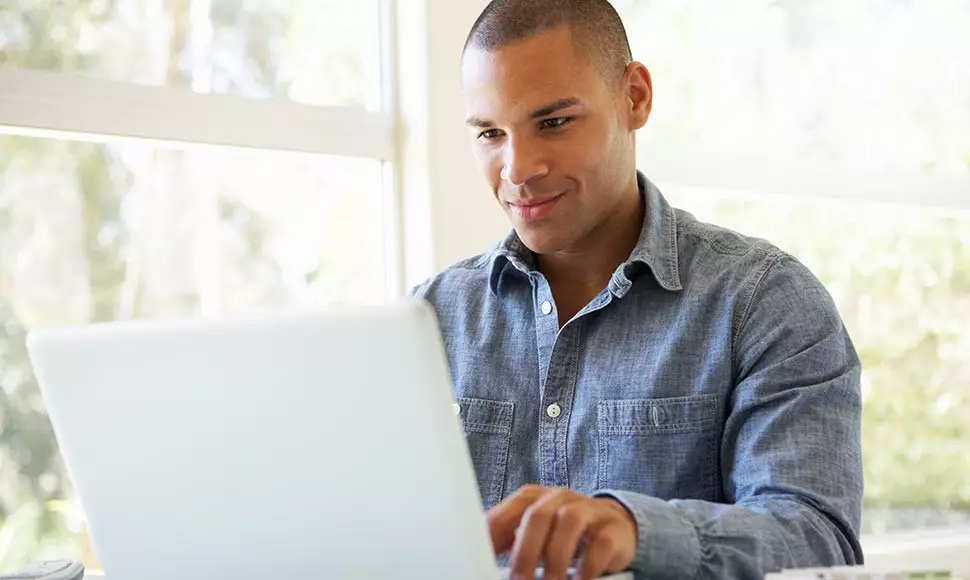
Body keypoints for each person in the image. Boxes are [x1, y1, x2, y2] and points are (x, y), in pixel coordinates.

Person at [411, 1, 864, 578]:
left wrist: (637, 530)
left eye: (553, 122)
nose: (517, 169)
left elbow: (817, 539)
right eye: (491, 133)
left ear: (635, 97)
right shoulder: (427, 320)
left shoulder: (765, 303)